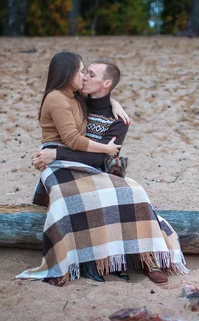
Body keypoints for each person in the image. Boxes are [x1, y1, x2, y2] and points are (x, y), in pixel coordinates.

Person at [18, 52, 188, 286]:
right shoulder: (76, 98)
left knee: (135, 192)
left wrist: (57, 153)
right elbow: (68, 134)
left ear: (105, 84)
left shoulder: (119, 120)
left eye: (90, 74)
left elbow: (98, 158)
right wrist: (55, 153)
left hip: (92, 166)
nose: (85, 77)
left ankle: (149, 258)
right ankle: (82, 262)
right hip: (70, 166)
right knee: (81, 199)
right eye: (83, 72)